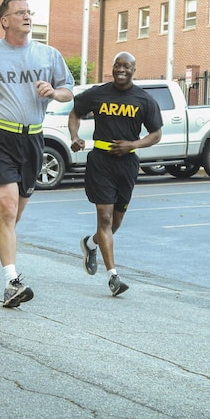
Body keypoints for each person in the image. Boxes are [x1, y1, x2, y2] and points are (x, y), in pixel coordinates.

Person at [0, 0, 74, 308]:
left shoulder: (48, 54)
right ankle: (13, 282)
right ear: (4, 20)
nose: (27, 16)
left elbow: (68, 90)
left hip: (33, 139)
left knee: (14, 214)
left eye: (29, 11)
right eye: (20, 12)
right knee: (7, 210)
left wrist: (54, 91)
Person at [69, 52, 162, 296]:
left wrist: (133, 144)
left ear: (134, 69)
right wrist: (75, 137)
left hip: (127, 164)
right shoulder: (99, 93)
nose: (121, 70)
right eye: (118, 66)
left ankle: (90, 244)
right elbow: (75, 112)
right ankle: (114, 277)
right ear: (113, 68)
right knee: (105, 218)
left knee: (116, 221)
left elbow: (156, 134)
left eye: (127, 66)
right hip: (100, 161)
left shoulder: (144, 100)